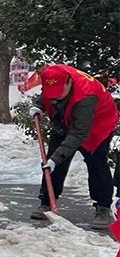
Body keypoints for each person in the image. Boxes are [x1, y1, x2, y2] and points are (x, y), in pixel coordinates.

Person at [29, 64, 118, 230]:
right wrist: (39, 105)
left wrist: (56, 159)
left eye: (59, 94)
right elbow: (47, 92)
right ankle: (47, 202)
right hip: (66, 120)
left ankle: (103, 207)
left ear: (69, 83)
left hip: (96, 126)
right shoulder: (53, 74)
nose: (56, 98)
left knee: (96, 162)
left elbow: (78, 134)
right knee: (53, 160)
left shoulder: (86, 96)